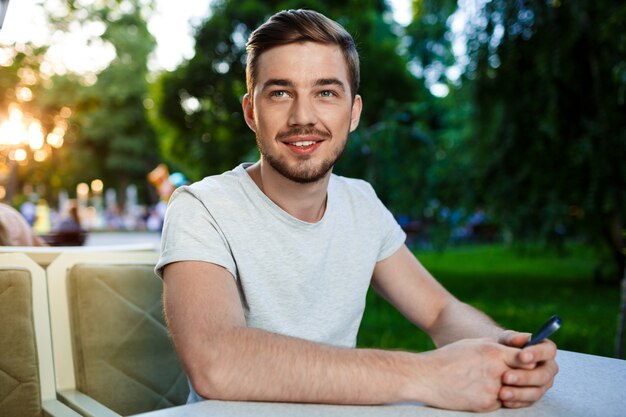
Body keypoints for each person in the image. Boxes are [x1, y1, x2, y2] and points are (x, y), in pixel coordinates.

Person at [157, 9, 557, 412]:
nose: (303, 117)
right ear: (250, 112)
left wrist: (506, 348)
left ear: (354, 112)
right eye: (280, 92)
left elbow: (440, 312)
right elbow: (217, 362)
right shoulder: (200, 208)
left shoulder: (361, 203)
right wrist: (425, 375)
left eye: (326, 92)